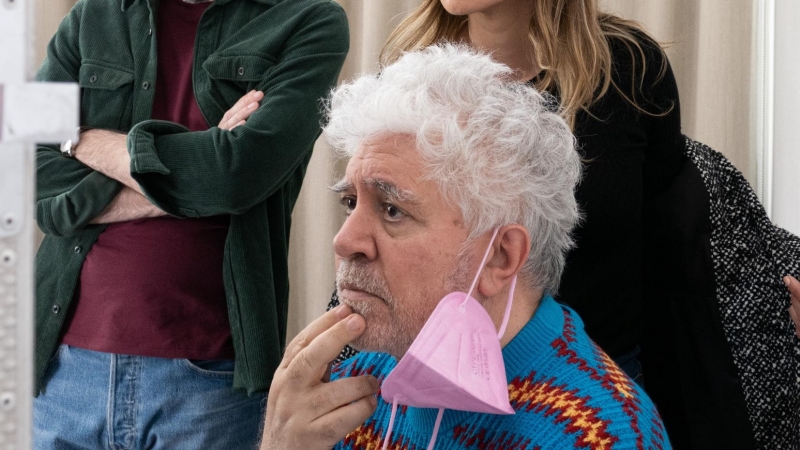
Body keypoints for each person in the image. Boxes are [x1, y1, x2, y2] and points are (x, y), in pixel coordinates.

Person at [260, 44, 670, 450]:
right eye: (351, 202)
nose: (345, 240)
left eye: (392, 210)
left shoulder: (598, 434)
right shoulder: (357, 382)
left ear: (500, 256)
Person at [33, 0, 348, 448]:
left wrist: (77, 138)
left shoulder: (310, 20)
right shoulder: (92, 14)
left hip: (209, 383)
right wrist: (201, 161)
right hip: (64, 372)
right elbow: (26, 165)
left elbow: (235, 176)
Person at [328, 0, 683, 385]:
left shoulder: (630, 70)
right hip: (432, 379)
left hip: (604, 379)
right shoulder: (411, 72)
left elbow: (671, 253)